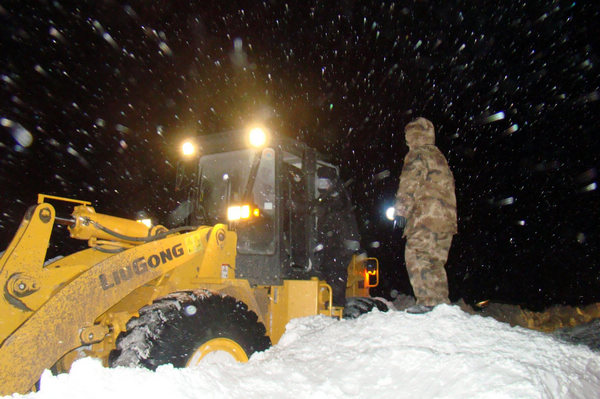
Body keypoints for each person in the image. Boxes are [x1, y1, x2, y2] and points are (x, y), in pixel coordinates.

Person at [394, 117, 457, 314]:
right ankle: (439, 304)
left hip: (426, 218)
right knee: (435, 261)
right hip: (445, 221)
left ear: (414, 135)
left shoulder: (417, 155)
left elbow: (409, 184)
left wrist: (401, 211)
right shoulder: (439, 157)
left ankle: (428, 302)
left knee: (416, 254)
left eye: (408, 136)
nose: (406, 140)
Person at [314, 166, 360, 306]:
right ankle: (334, 302)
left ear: (332, 182)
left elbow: (336, 217)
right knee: (330, 269)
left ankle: (336, 305)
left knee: (335, 270)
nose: (322, 185)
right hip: (334, 243)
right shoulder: (327, 199)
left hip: (339, 244)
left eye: (325, 182)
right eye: (320, 182)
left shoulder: (337, 197)